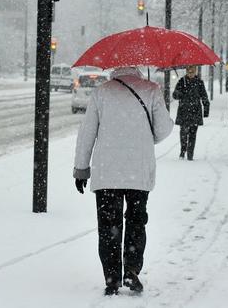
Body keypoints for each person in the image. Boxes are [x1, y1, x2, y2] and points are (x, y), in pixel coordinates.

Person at [73, 66, 173, 296]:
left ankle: (111, 278)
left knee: (109, 226)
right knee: (136, 222)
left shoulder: (101, 92)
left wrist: (81, 168)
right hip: (137, 170)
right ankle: (131, 270)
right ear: (138, 67)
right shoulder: (151, 89)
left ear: (115, 67)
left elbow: (87, 131)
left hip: (107, 172)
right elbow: (164, 129)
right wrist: (146, 136)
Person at [172, 66, 210, 161]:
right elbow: (174, 95)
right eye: (189, 71)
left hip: (195, 111)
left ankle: (190, 154)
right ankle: (183, 150)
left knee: (193, 134)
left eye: (192, 71)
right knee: (183, 133)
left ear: (195, 71)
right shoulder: (182, 81)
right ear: (186, 71)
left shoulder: (199, 82)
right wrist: (179, 94)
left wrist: (206, 109)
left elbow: (204, 96)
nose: (190, 73)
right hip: (184, 111)